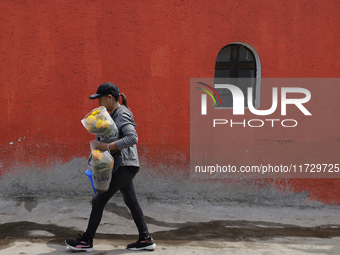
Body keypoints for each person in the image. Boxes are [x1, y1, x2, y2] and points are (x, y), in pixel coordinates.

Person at [65, 82, 156, 252]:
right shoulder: (112, 114)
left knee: (98, 200)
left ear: (109, 98)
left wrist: (106, 147)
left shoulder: (122, 114)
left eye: (100, 98)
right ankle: (145, 239)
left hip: (125, 165)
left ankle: (87, 241)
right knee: (131, 201)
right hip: (123, 165)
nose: (98, 103)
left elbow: (132, 138)